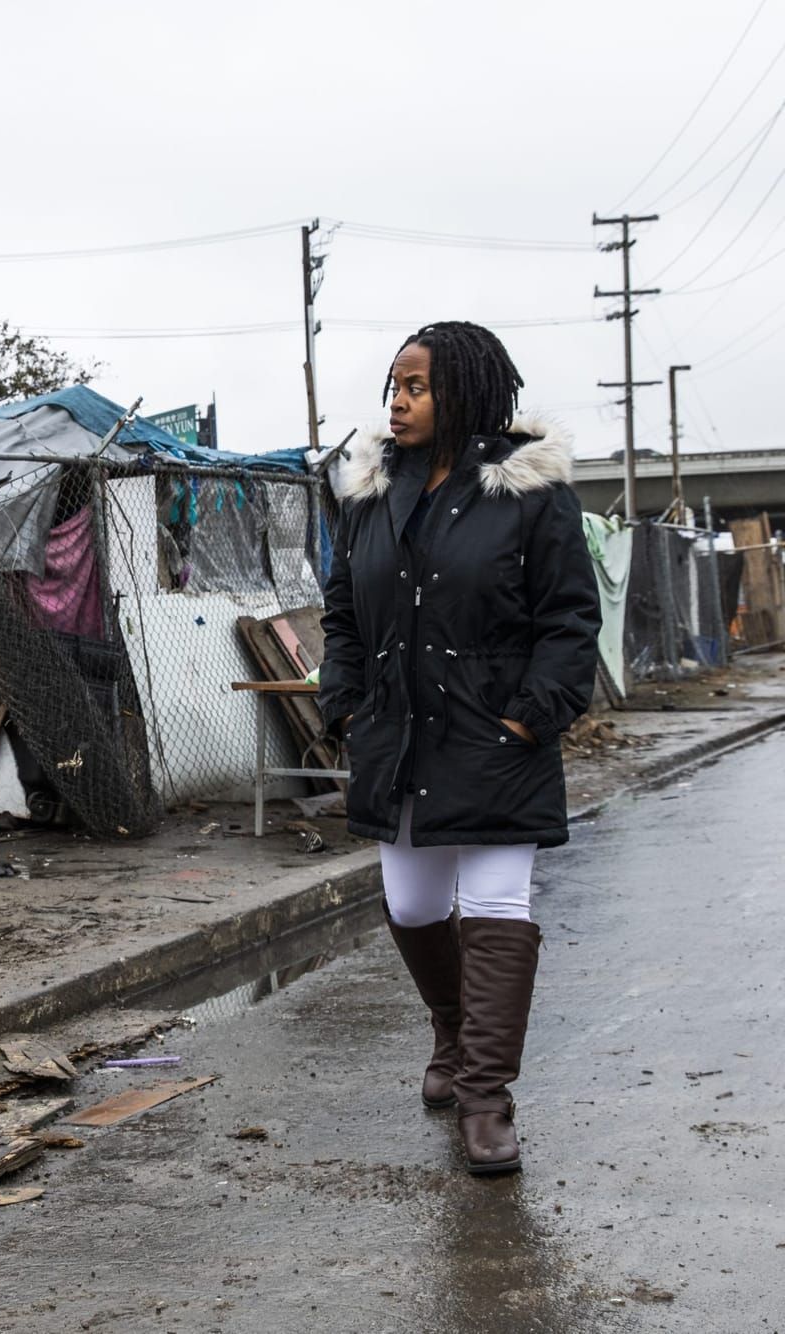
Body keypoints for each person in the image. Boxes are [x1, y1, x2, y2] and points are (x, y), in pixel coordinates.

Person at [317, 321, 600, 1175]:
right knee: (409, 905)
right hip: (398, 737)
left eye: (416, 387)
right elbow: (342, 614)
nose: (396, 403)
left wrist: (533, 714)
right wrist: (346, 704)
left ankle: (485, 1097)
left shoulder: (529, 494)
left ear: (464, 394)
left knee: (496, 904)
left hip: (496, 735)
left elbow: (568, 618)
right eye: (392, 388)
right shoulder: (368, 494)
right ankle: (451, 1027)